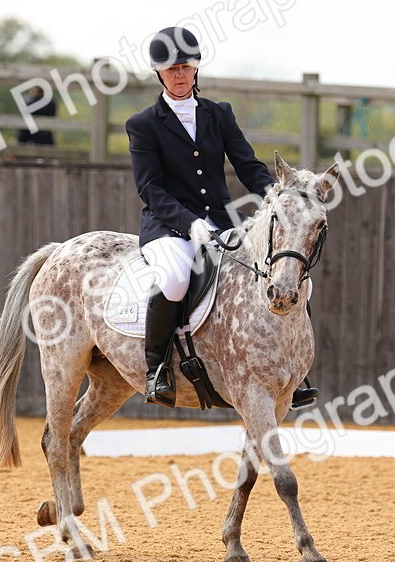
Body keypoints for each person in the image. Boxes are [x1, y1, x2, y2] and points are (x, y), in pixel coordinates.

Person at [126, 26, 318, 410]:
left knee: (294, 278)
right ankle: (157, 369)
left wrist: (276, 198)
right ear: (158, 73)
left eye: (186, 67)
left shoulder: (219, 114)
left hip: (222, 221)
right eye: (171, 69)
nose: (180, 75)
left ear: (196, 67)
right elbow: (150, 187)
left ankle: (295, 373)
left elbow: (248, 165)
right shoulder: (143, 124)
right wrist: (187, 222)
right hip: (168, 226)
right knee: (175, 279)